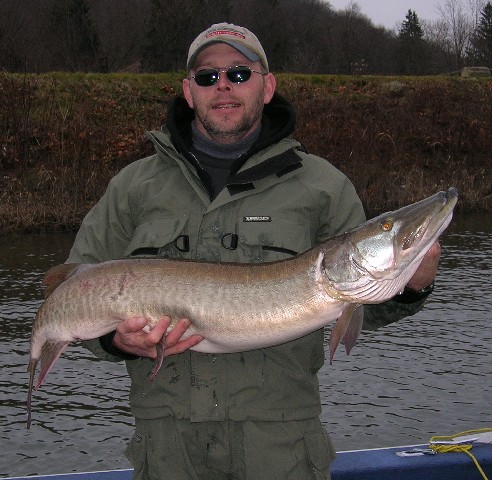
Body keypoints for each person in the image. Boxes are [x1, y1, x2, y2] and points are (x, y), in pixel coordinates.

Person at [68, 23, 440, 480]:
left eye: (240, 73)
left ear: (267, 86)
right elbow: (74, 291)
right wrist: (114, 341)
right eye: (208, 76)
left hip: (279, 445)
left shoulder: (322, 186)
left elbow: (365, 305)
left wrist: (412, 285)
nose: (223, 85)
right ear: (188, 92)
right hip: (168, 446)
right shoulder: (133, 187)